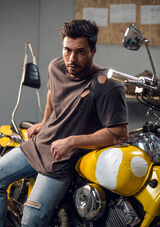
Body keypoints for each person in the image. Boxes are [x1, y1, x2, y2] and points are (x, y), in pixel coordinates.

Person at [0, 19, 128, 227]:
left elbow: (119, 133)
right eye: (67, 50)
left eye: (80, 52)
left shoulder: (107, 87)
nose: (71, 59)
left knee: (31, 218)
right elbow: (52, 92)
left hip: (63, 160)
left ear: (93, 51)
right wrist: (45, 121)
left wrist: (72, 141)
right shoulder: (56, 67)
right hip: (40, 145)